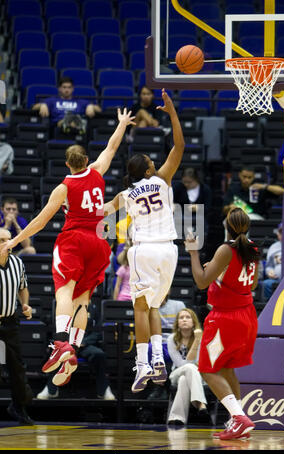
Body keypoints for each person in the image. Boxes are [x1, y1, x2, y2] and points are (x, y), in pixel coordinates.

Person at [0, 108, 136, 388]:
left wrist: (14, 240)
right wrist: (121, 123)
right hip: (100, 241)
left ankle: (61, 342)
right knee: (82, 300)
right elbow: (112, 146)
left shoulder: (63, 188)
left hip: (75, 239)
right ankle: (73, 346)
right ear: (86, 160)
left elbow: (40, 220)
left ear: (67, 164)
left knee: (64, 290)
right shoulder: (98, 171)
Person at [104, 89, 185, 393]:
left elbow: (102, 213)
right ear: (150, 169)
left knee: (140, 308)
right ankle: (159, 362)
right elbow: (179, 145)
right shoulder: (162, 180)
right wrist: (172, 113)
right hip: (169, 252)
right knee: (153, 307)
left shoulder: (125, 194)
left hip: (143, 252)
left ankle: (142, 365)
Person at [185, 207, 260, 440]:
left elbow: (200, 282)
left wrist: (193, 254)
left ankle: (239, 418)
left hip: (224, 319)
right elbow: (253, 284)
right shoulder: (254, 247)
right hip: (246, 316)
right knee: (226, 368)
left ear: (227, 226)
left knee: (207, 370)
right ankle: (236, 421)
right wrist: (220, 275)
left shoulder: (225, 249)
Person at [37, 307, 115, 400]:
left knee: (99, 355)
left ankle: (104, 390)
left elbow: (97, 332)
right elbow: (55, 330)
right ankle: (50, 389)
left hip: (85, 345)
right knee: (59, 353)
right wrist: (67, 343)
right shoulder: (63, 308)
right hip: (66, 345)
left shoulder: (93, 309)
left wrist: (83, 342)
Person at [0, 228, 34, 425]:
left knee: (17, 368)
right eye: (3, 240)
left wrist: (25, 304)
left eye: (9, 239)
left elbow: (23, 287)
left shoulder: (17, 263)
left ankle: (19, 407)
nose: (8, 243)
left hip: (10, 322)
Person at [167, 308, 208, 426]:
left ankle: (177, 418)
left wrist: (197, 340)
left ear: (194, 322)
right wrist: (196, 342)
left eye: (188, 317)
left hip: (198, 376)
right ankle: (200, 404)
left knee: (184, 380)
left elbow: (200, 363)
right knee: (189, 368)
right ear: (177, 323)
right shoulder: (172, 339)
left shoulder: (202, 338)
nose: (184, 319)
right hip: (176, 373)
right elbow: (181, 364)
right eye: (181, 317)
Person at [32, 76, 101, 134]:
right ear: (59, 88)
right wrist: (43, 105)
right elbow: (33, 108)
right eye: (64, 87)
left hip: (76, 124)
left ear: (73, 89)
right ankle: (68, 124)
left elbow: (99, 110)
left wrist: (91, 106)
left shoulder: (80, 101)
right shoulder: (52, 100)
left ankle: (72, 124)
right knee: (67, 121)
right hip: (59, 126)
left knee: (76, 120)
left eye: (69, 87)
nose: (67, 90)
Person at [173, 167, 212, 237]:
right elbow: (172, 202)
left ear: (196, 180)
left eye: (189, 182)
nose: (186, 184)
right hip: (181, 216)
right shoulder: (178, 188)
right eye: (184, 182)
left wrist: (198, 208)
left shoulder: (205, 189)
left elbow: (208, 208)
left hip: (198, 217)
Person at [262, 222, 282, 301]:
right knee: (266, 284)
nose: (283, 234)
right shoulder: (274, 247)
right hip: (276, 279)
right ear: (278, 234)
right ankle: (269, 307)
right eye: (281, 232)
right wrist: (270, 272)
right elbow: (269, 266)